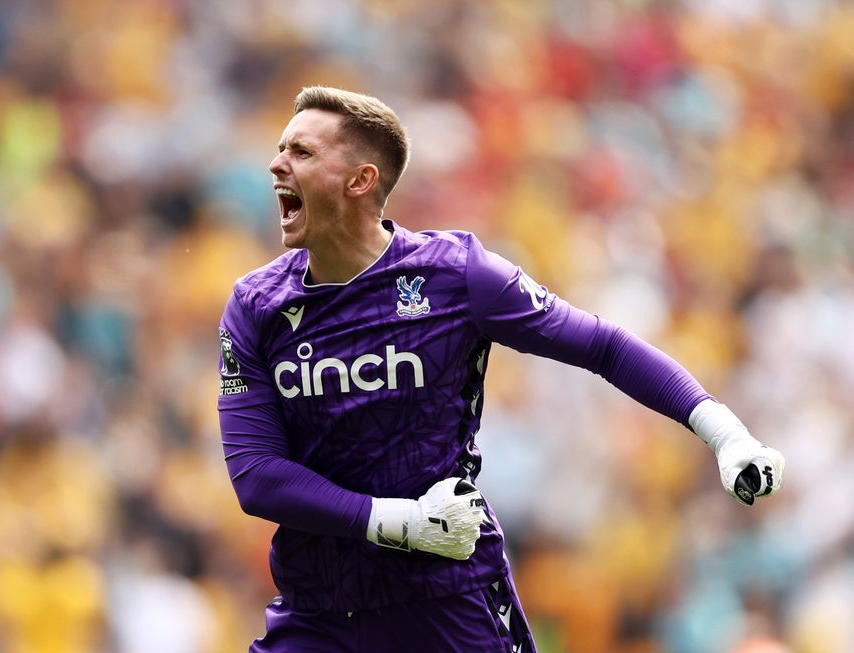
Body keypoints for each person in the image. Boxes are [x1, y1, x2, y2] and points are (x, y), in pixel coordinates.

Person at [217, 86, 785, 653]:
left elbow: (603, 347)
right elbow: (258, 475)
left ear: (360, 180)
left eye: (301, 152)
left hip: (445, 598)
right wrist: (402, 522)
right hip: (318, 612)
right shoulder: (256, 305)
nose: (276, 164)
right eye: (281, 149)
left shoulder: (457, 275)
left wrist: (723, 432)